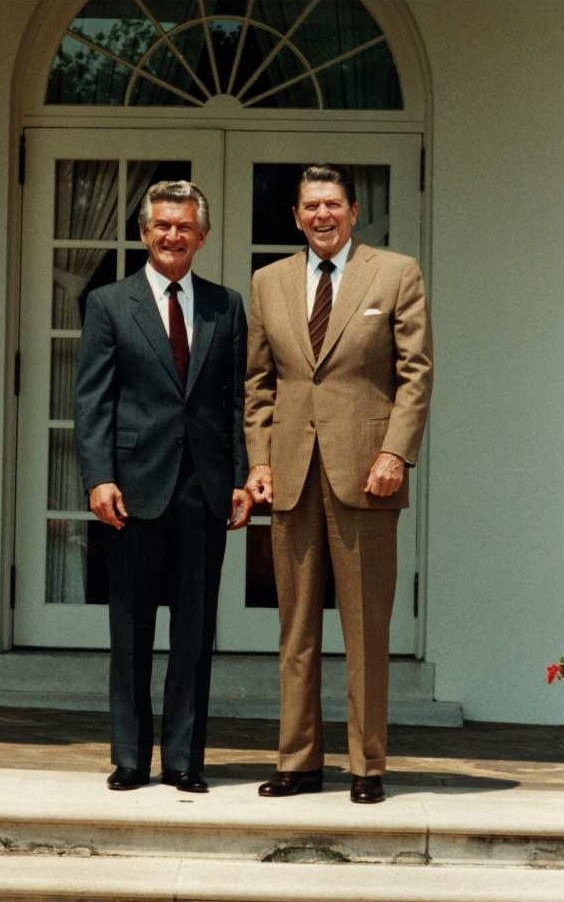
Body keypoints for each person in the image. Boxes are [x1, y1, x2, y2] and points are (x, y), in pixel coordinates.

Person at [245, 163, 432, 804]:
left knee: (365, 628)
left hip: (367, 475)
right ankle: (296, 760)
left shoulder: (395, 273)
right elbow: (258, 385)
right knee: (295, 629)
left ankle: (366, 766)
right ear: (296, 217)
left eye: (333, 204)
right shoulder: (268, 283)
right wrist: (260, 459)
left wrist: (396, 453)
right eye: (309, 206)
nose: (321, 215)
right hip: (293, 473)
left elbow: (416, 374)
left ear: (353, 212)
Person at [75, 180, 251, 794]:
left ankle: (183, 759)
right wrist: (98, 476)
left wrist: (238, 478)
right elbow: (92, 399)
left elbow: (236, 402)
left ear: (202, 236)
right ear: (145, 232)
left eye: (184, 226)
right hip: (131, 487)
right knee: (130, 628)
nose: (172, 235)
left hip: (203, 489)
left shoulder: (225, 306)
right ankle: (129, 756)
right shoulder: (107, 304)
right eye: (161, 225)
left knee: (195, 632)